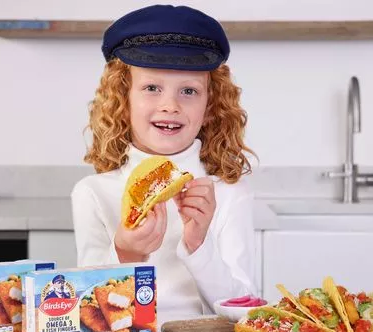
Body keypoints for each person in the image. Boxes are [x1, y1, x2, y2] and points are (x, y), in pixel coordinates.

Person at [72, 4, 258, 315]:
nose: (170, 105)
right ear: (122, 99)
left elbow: (244, 307)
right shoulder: (92, 192)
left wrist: (199, 245)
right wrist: (126, 251)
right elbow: (91, 311)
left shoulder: (229, 195)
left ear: (210, 106)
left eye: (188, 90)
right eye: (152, 88)